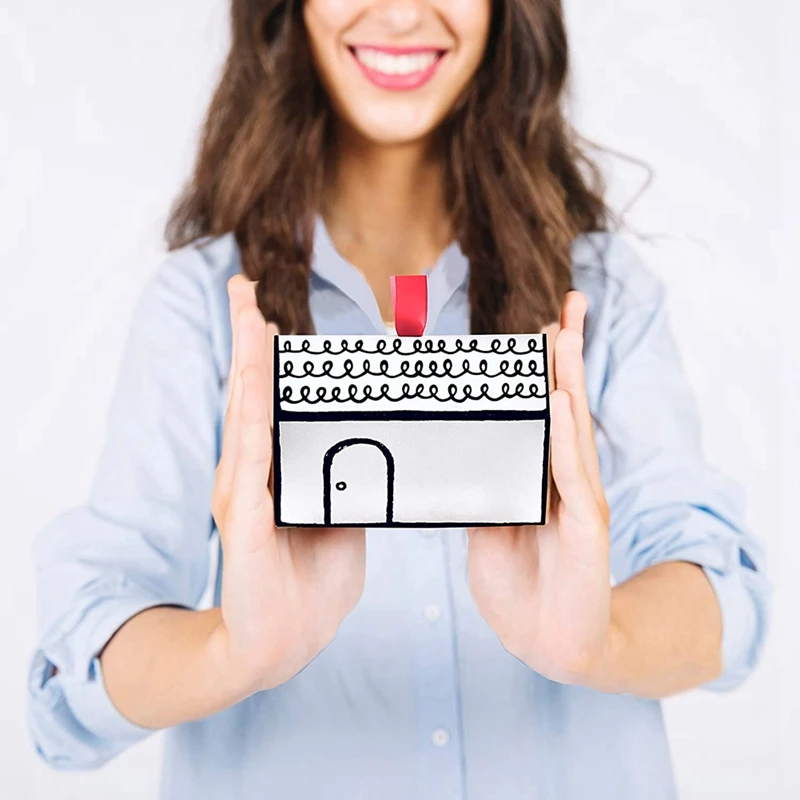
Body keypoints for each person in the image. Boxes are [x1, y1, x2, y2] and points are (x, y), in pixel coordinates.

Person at [28, 1, 769, 798]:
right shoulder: (204, 306)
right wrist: (231, 650)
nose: (405, 13)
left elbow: (727, 596)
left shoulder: (603, 294)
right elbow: (70, 685)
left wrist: (603, 639)